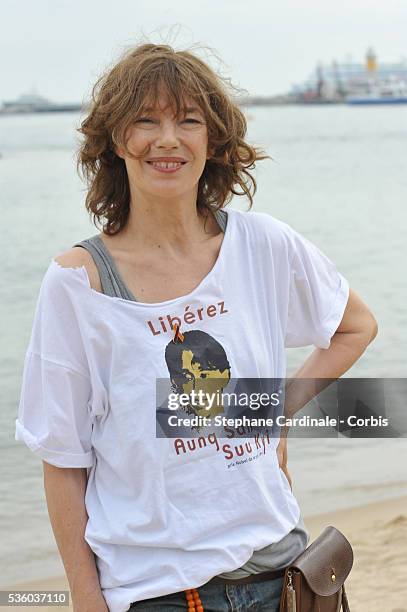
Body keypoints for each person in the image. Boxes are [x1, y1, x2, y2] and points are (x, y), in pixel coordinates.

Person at [15, 42, 378, 612]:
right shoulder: (77, 284)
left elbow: (354, 327)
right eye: (146, 120)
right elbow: (63, 459)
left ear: (213, 141)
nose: (168, 139)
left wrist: (276, 409)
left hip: (281, 568)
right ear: (116, 140)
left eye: (189, 121)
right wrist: (85, 598)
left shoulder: (263, 246)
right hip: (157, 592)